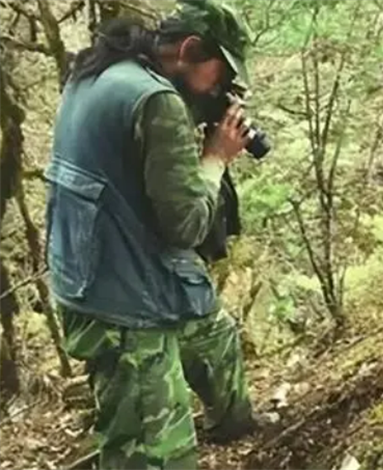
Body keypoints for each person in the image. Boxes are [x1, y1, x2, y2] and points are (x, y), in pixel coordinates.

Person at [44, 1, 258, 468]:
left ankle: (239, 434)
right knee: (157, 457)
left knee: (216, 339)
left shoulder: (97, 71)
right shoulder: (157, 101)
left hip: (96, 274)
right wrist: (216, 157)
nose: (220, 91)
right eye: (219, 76)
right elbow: (185, 225)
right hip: (124, 305)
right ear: (190, 49)